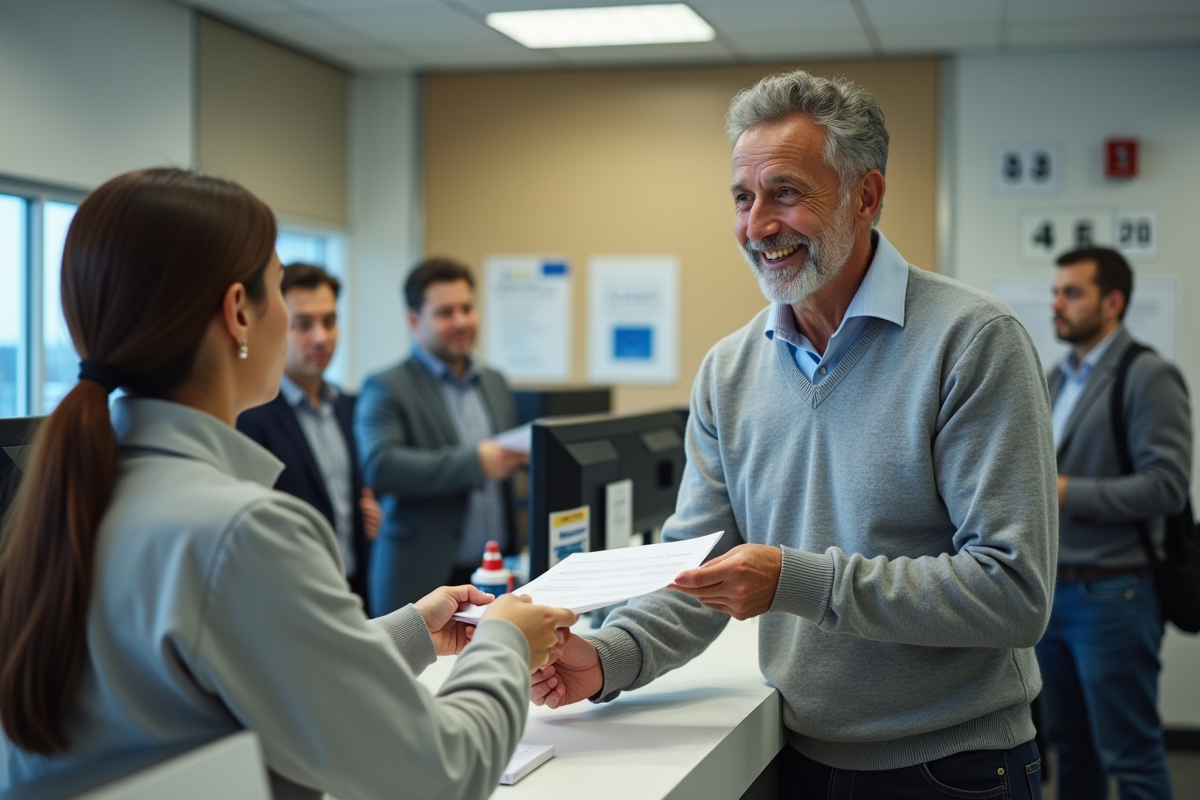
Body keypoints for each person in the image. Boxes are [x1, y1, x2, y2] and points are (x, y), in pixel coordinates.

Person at [530, 69, 1057, 798]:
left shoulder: (971, 341)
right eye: (743, 199)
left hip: (951, 767)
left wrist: (797, 579)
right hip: (798, 757)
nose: (757, 226)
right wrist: (610, 655)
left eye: (785, 192)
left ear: (865, 196)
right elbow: (699, 570)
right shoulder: (729, 370)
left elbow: (1013, 592)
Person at [0, 169, 576, 800]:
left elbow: (236, 664)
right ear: (238, 313)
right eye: (278, 291)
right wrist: (504, 643)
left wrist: (411, 628)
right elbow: (440, 774)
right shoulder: (242, 529)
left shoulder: (70, 491)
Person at [1035, 247, 1190, 800]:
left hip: (1114, 594)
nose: (1057, 303)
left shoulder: (1149, 376)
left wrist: (1061, 491)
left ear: (1113, 302)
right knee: (1070, 752)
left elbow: (1167, 487)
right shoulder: (1055, 378)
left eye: (1072, 293)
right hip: (1053, 594)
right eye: (1056, 291)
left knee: (1131, 755)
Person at [356, 258, 524, 615]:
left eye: (466, 308)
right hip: (423, 576)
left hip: (496, 574)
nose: (461, 321)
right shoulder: (386, 386)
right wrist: (474, 463)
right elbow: (381, 465)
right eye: (446, 312)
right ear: (414, 320)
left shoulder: (494, 381)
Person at [237, 262, 381, 605]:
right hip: (287, 599)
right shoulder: (248, 416)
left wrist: (370, 514)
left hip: (353, 591)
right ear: (276, 324)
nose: (321, 337)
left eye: (329, 321)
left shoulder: (348, 406)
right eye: (303, 324)